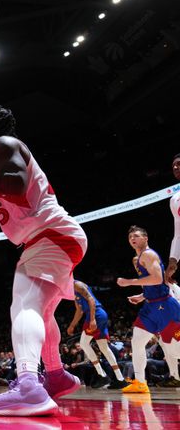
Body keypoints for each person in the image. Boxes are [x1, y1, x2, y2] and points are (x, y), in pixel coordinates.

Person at [0, 105, 87, 416]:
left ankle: (28, 385)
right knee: (43, 313)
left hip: (49, 235)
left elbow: (18, 186)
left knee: (25, 307)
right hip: (54, 236)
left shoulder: (2, 143)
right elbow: (15, 204)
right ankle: (56, 376)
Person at [117, 225, 180, 393]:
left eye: (136, 235)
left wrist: (129, 282)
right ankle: (140, 382)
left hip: (166, 307)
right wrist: (143, 295)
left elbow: (158, 279)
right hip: (150, 306)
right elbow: (152, 282)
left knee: (174, 351)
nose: (132, 238)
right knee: (136, 342)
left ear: (146, 238)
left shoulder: (149, 254)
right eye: (130, 236)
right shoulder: (137, 258)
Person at [67, 279, 127, 389]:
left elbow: (91, 299)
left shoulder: (77, 284)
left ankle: (102, 375)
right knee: (104, 348)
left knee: (83, 344)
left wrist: (92, 319)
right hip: (97, 315)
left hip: (96, 314)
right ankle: (120, 379)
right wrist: (72, 325)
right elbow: (79, 311)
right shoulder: (71, 290)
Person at [163, 154, 180, 284]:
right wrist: (173, 260)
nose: (175, 167)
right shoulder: (174, 199)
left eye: (179, 164)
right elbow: (178, 234)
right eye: (173, 166)